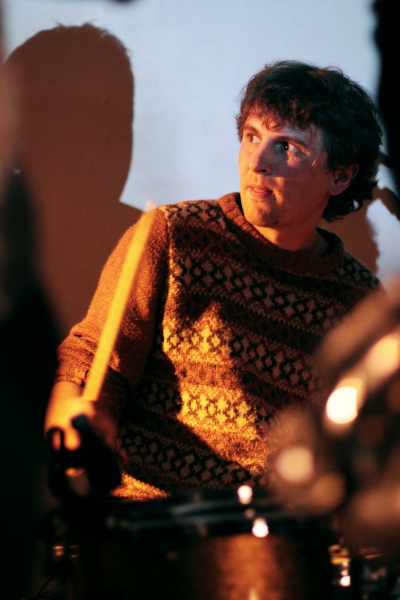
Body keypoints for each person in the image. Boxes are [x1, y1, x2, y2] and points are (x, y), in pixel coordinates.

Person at [45, 60, 382, 500]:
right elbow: (91, 361)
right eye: (252, 137)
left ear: (340, 176)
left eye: (286, 147)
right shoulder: (173, 235)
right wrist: (76, 422)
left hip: (278, 532)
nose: (257, 162)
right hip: (150, 518)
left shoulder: (361, 301)